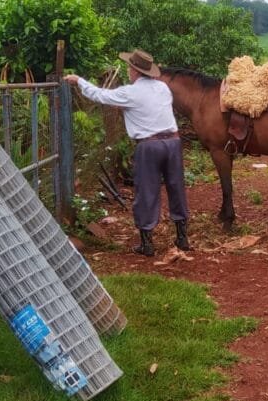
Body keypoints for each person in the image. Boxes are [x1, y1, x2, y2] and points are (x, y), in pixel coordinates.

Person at [64, 50, 191, 256]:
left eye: (129, 68)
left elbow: (100, 95)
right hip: (173, 142)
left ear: (135, 71)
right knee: (176, 186)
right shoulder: (162, 88)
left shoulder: (130, 93)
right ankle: (182, 237)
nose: (128, 71)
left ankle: (147, 243)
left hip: (149, 145)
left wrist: (79, 81)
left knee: (146, 190)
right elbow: (151, 108)